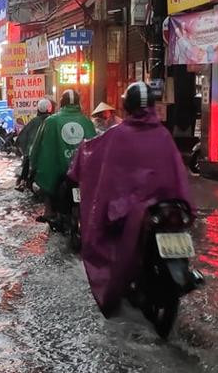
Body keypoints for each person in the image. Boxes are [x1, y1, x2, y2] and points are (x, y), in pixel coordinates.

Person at [69, 82, 193, 315]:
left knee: (110, 232)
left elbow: (93, 156)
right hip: (167, 207)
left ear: (127, 106)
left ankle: (121, 279)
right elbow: (177, 174)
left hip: (135, 210)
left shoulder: (119, 135)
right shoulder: (163, 134)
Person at [31, 89, 96, 221]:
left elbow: (37, 146)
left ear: (61, 103)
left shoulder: (51, 121)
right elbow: (96, 146)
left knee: (48, 180)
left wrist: (33, 164)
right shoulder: (86, 121)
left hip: (59, 171)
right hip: (81, 171)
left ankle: (48, 211)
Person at [15, 98, 54, 189]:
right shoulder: (54, 120)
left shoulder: (34, 121)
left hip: (34, 152)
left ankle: (23, 182)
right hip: (48, 152)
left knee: (27, 159)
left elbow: (23, 137)